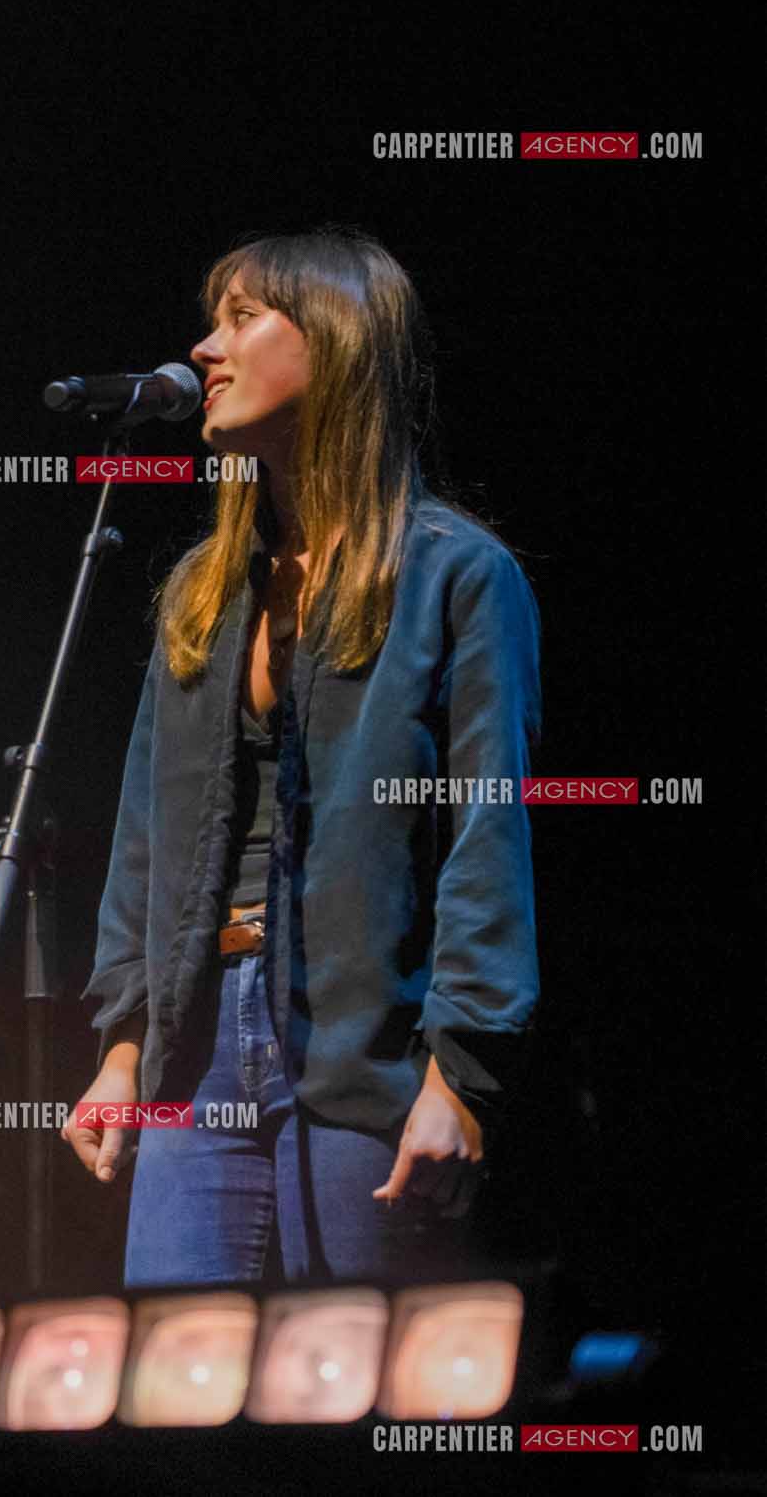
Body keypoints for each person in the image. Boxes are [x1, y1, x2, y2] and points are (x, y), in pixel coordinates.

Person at [59, 227, 542, 1288]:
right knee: (176, 1372)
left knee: (353, 1374)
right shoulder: (204, 589)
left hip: (367, 1049)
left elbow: (486, 837)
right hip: (196, 1053)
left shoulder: (457, 576)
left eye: (242, 317)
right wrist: (125, 1048)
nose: (205, 348)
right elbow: (146, 837)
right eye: (213, 320)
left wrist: (459, 1077)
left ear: (335, 342)